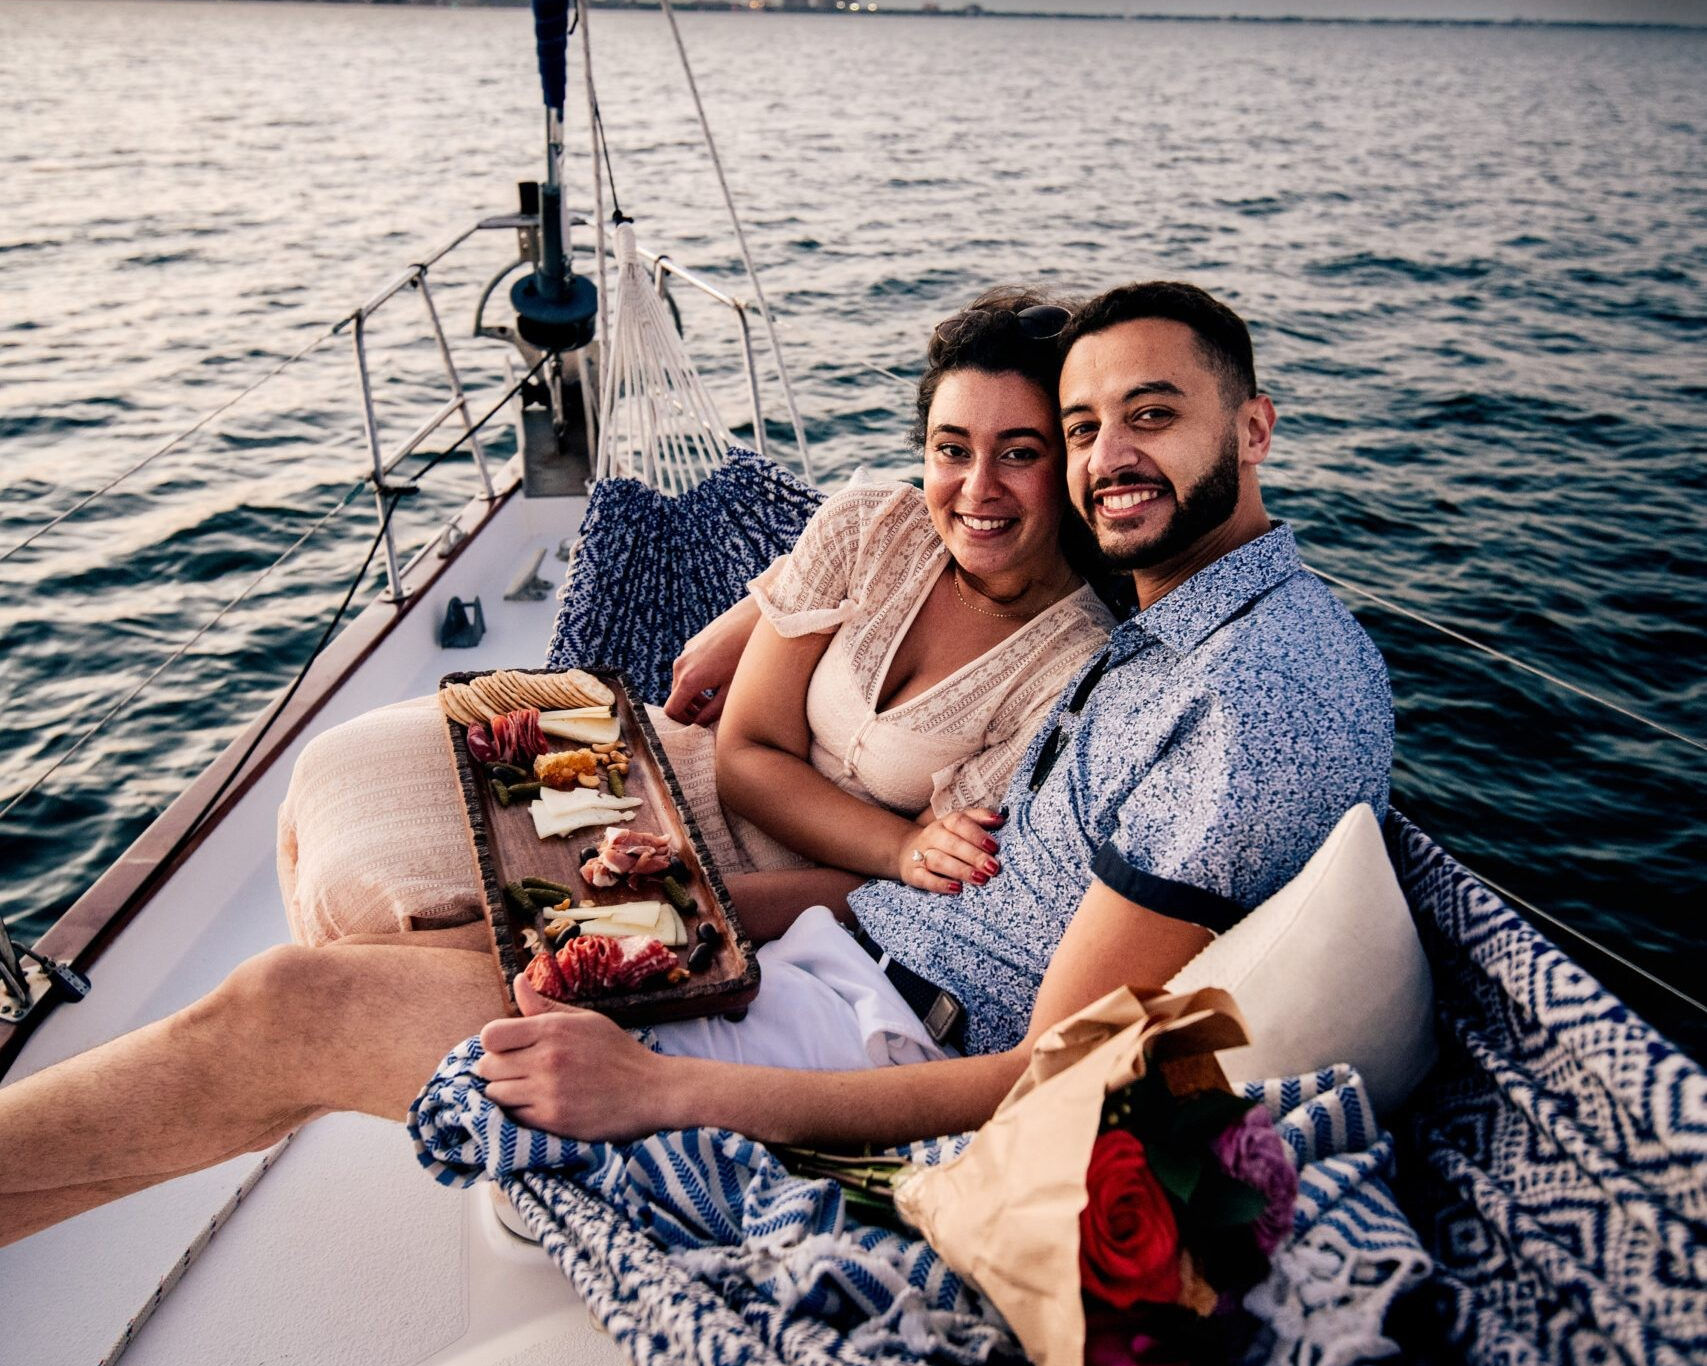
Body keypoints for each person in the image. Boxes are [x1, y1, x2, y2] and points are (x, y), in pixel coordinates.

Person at [0, 281, 1393, 1247]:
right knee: (387, 946)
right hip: (820, 968)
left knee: (287, 1013)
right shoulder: (1173, 641)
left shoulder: (1248, 691)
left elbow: (1046, 1076)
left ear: (1251, 426)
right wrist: (702, 921)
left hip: (858, 1055)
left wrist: (668, 1088)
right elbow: (934, 877)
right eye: (1084, 427)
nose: (1101, 460)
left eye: (1144, 417)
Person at [276, 288, 1113, 949]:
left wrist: (664, 907)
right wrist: (895, 842)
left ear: (1073, 455)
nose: (975, 489)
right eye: (951, 448)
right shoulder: (872, 523)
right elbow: (743, 757)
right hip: (659, 770)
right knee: (337, 767)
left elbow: (904, 888)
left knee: (392, 902)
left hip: (784, 895)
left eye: (1019, 452)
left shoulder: (1073, 672)